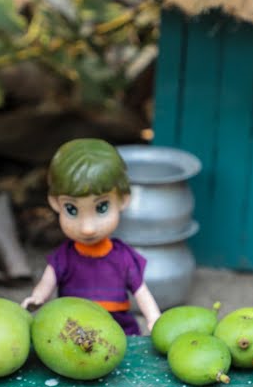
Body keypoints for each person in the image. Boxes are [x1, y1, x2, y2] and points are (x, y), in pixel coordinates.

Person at [22, 138, 161, 335]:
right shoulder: (64, 257)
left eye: (101, 207)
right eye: (71, 209)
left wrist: (154, 318)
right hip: (73, 328)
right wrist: (37, 297)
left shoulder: (123, 256)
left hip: (118, 328)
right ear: (55, 203)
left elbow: (141, 291)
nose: (87, 228)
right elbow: (47, 284)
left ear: (122, 200)